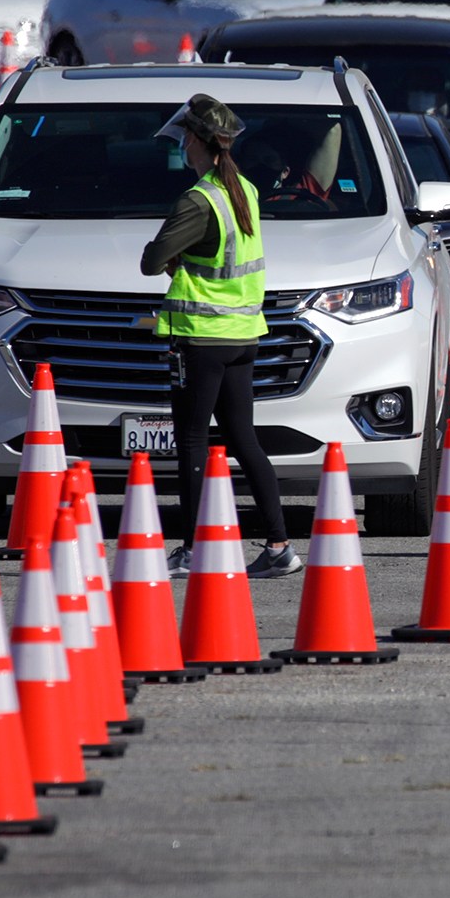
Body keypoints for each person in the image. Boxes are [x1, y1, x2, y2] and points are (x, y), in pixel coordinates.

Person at [139, 94, 303, 579]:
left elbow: (151, 262)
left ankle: (193, 550)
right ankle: (279, 546)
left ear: (194, 140)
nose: (182, 144)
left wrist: (170, 255)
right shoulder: (243, 190)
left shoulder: (198, 198)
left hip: (202, 336)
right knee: (243, 438)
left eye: (185, 137)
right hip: (243, 334)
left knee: (191, 440)